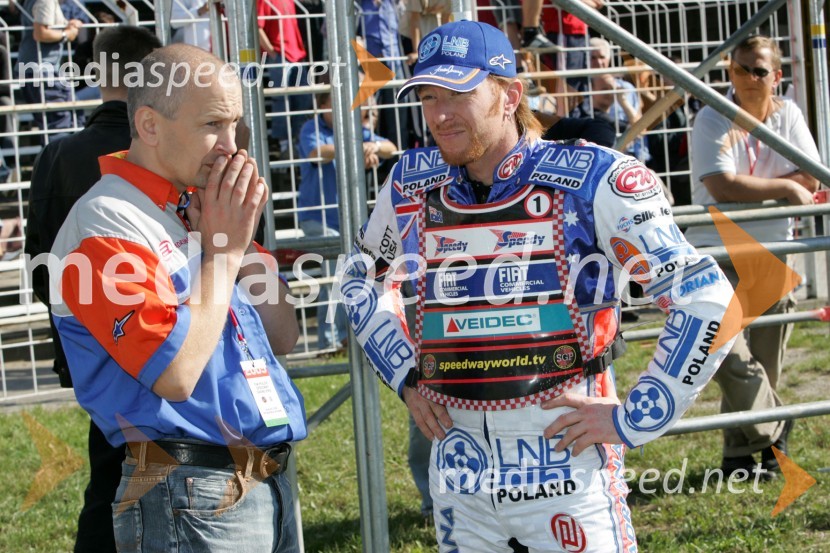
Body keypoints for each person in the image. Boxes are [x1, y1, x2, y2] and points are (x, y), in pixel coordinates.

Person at [341, 20, 735, 551]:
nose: (438, 114)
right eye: (429, 97)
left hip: (567, 473)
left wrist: (636, 417)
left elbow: (707, 297)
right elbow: (362, 281)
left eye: (458, 94)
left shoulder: (596, 179)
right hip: (460, 478)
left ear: (510, 95)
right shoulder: (410, 184)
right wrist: (406, 378)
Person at [48, 44, 307, 550]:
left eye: (235, 124)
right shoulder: (105, 221)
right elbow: (176, 373)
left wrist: (238, 236)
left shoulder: (199, 209)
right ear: (149, 126)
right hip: (189, 488)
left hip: (263, 477)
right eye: (213, 125)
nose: (231, 146)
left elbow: (284, 334)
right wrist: (226, 254)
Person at [24, 26, 161, 553]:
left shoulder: (58, 157)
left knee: (110, 477)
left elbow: (42, 269)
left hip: (96, 356)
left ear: (98, 72)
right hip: (166, 344)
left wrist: (82, 330)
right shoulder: (167, 148)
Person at [684, 35, 819, 477]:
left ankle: (739, 458)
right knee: (725, 354)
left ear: (776, 77)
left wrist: (793, 183)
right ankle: (777, 428)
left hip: (776, 249)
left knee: (764, 364)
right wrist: (784, 185)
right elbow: (722, 186)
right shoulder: (711, 114)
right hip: (718, 250)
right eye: (740, 69)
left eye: (758, 70)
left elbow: (813, 178)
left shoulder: (791, 113)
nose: (747, 78)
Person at [297, 90, 396, 350]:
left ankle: (344, 340)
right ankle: (329, 343)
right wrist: (355, 148)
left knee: (350, 277)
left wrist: (370, 147)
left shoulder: (353, 130)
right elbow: (317, 152)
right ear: (322, 106)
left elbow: (390, 147)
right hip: (316, 216)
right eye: (335, 103)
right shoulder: (312, 127)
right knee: (333, 278)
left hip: (348, 219)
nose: (343, 109)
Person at [17, 0, 84, 139]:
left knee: (73, 117)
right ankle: (60, 159)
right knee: (58, 124)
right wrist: (67, 34)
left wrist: (70, 25)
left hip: (41, 68)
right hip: (41, 69)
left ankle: (64, 157)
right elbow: (41, 33)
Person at [257, 0, 311, 155]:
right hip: (282, 54)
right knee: (282, 100)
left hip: (296, 54)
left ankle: (298, 142)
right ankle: (285, 145)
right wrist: (273, 53)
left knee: (303, 100)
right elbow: (258, 27)